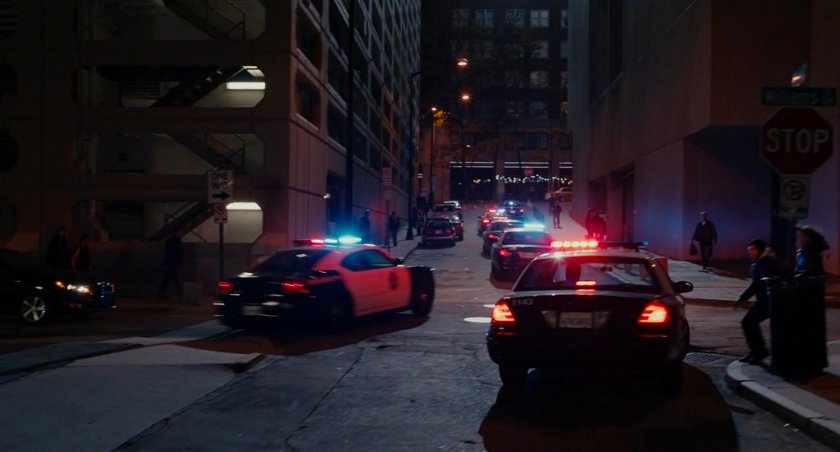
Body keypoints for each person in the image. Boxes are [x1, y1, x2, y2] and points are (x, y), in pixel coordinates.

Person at [790, 225, 830, 376]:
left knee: (810, 330)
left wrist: (797, 278)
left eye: (800, 237)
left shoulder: (811, 254)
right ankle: (810, 362)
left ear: (808, 238)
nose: (798, 240)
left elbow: (811, 274)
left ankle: (811, 364)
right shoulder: (803, 252)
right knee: (808, 330)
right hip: (807, 295)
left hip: (811, 298)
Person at [734, 239, 782, 365]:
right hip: (764, 301)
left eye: (753, 250)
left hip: (770, 301)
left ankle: (759, 351)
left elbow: (758, 284)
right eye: (749, 250)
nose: (750, 252)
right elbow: (755, 285)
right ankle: (756, 350)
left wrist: (743, 298)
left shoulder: (767, 264)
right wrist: (742, 298)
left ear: (760, 250)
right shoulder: (758, 263)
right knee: (748, 322)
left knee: (749, 322)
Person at [158, 230, 184, 299]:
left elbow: (169, 253)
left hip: (171, 262)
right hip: (173, 262)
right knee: (173, 279)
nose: (181, 233)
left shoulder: (170, 241)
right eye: (180, 232)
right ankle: (180, 293)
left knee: (169, 279)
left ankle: (161, 293)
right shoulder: (176, 241)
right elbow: (176, 253)